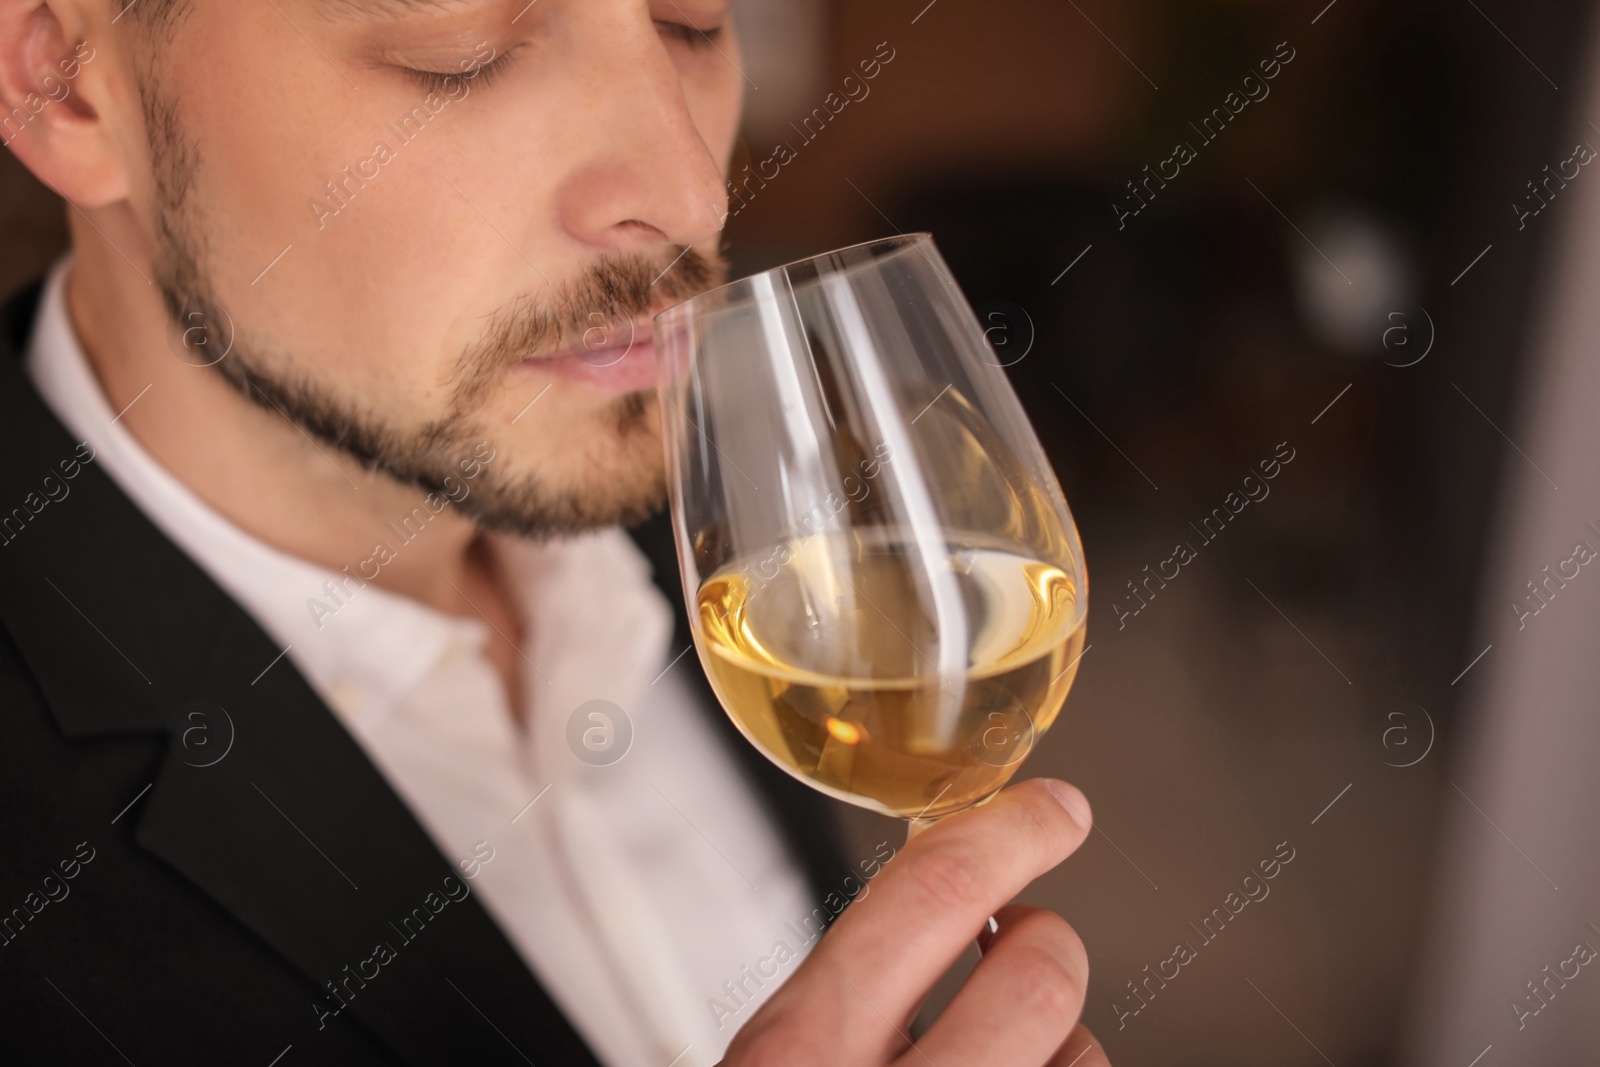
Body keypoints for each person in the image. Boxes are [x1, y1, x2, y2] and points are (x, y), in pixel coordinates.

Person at [0, 1, 1108, 1064]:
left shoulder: (729, 540)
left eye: (693, 21)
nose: (690, 193)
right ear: (64, 82)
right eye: (462, 54)